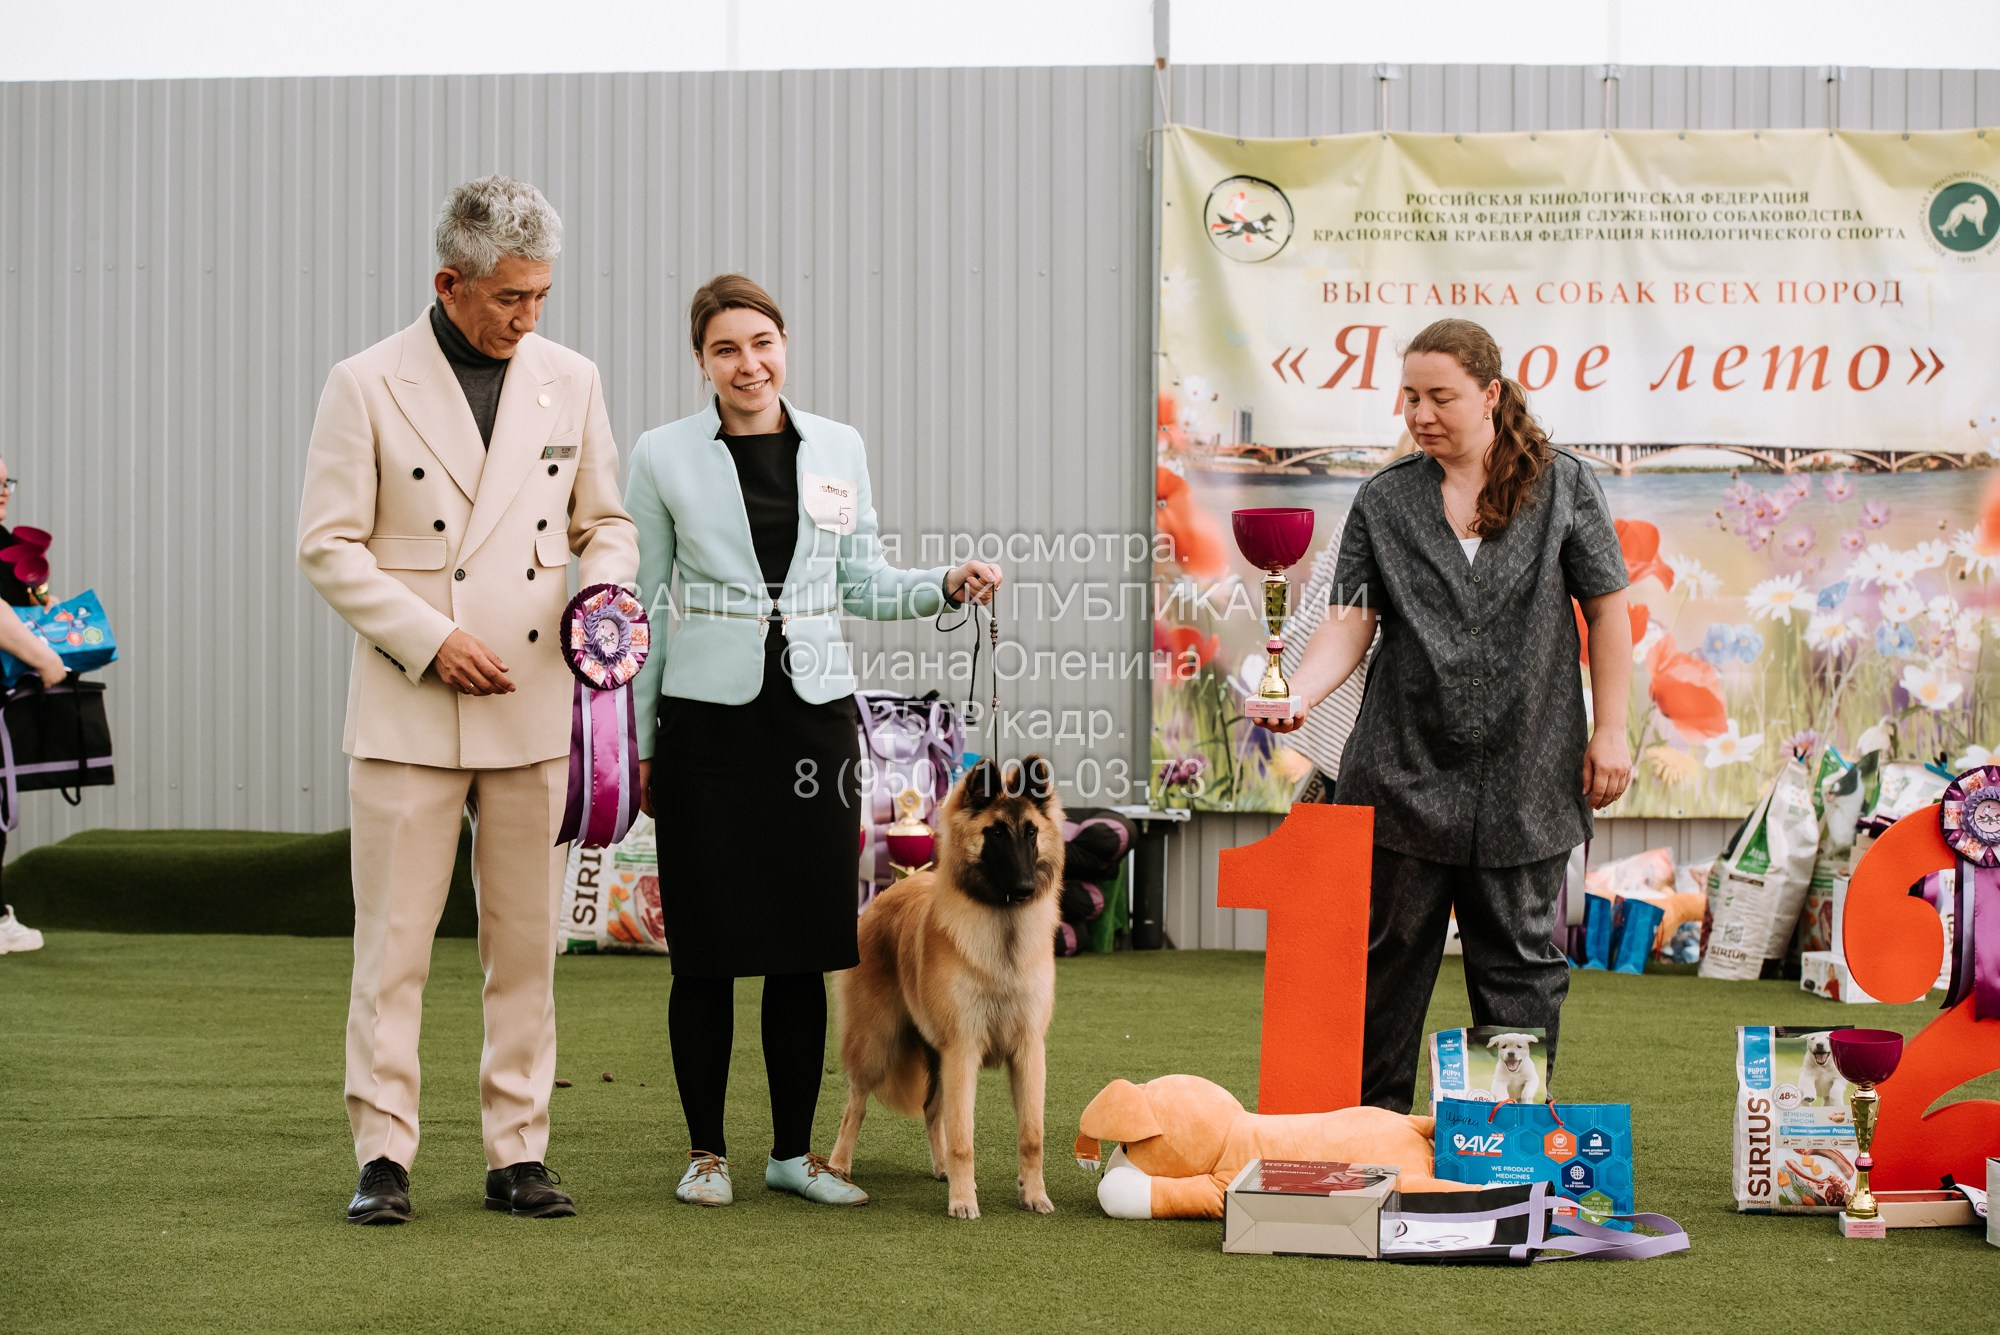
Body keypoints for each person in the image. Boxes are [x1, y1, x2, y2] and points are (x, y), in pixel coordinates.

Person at [297, 176, 639, 1224]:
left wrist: (601, 599)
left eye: (541, 295)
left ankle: (517, 1152)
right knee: (391, 950)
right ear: (449, 283)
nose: (528, 317)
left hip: (535, 706)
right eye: (508, 297)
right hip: (407, 712)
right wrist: (430, 638)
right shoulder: (364, 383)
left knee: (526, 950)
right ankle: (382, 1156)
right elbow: (327, 545)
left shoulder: (572, 380)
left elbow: (605, 523)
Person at [624, 274, 1000, 1208]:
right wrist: (640, 742)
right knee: (705, 951)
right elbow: (644, 609)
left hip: (814, 724)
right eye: (725, 349)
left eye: (762, 343)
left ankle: (793, 1155)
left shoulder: (838, 446)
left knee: (803, 942)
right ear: (701, 361)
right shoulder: (661, 455)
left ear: (784, 344)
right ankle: (706, 1155)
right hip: (704, 725)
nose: (748, 364)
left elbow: (864, 581)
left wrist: (944, 583)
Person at [1258, 317, 1633, 1113]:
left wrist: (1612, 729)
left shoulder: (1565, 485)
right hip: (1400, 775)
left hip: (1529, 778)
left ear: (1490, 394)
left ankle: (1507, 1145)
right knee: (1385, 969)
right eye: (1409, 397)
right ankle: (1370, 1139)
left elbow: (1608, 610)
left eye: (1441, 397)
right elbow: (1350, 621)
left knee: (1522, 972)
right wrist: (1299, 692)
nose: (1421, 414)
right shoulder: (1383, 498)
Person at [0, 457, 64, 956]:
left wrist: (47, 609)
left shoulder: (7, 547)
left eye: (7, 482)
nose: (3, 490)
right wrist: (45, 658)